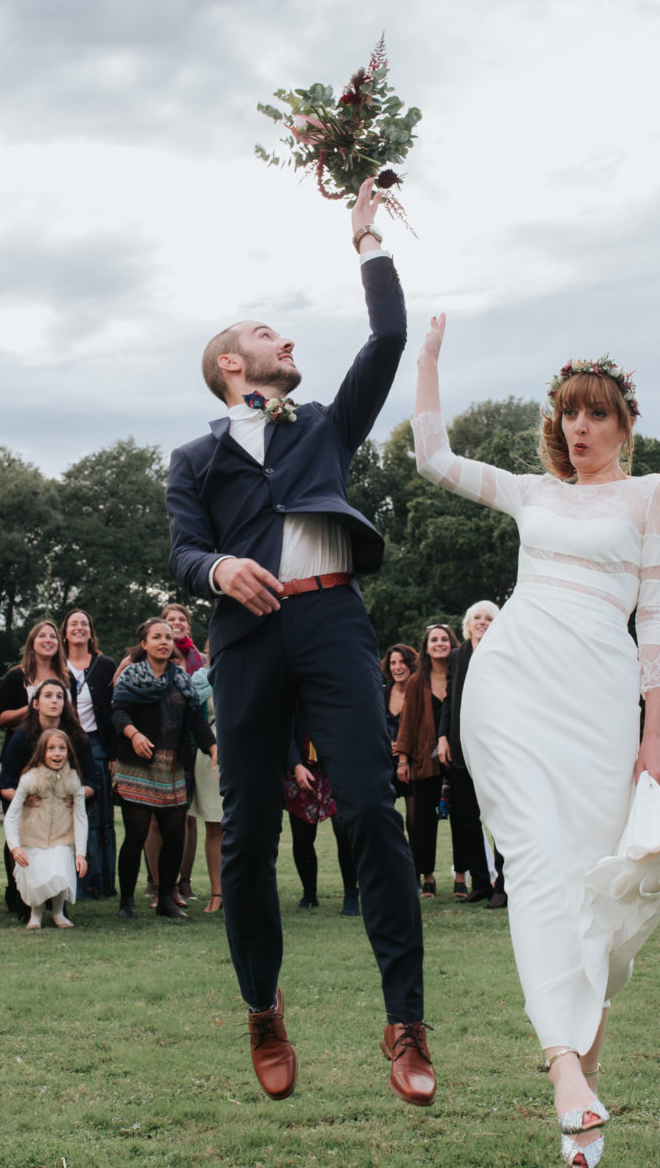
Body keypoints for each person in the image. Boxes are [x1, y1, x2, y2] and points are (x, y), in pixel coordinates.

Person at [165, 178, 434, 1107]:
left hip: (331, 624)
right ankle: (262, 1004)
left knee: (369, 809)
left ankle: (405, 1019)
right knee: (247, 836)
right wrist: (214, 573)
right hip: (244, 639)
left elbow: (387, 339)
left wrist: (365, 239)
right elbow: (181, 550)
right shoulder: (194, 459)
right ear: (234, 365)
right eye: (271, 334)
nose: (289, 342)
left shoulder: (323, 424)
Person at [415, 314, 660, 1168]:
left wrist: (656, 732)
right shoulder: (534, 494)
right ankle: (563, 1070)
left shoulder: (653, 496)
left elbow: (657, 623)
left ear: (623, 422)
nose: (580, 428)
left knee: (593, 897)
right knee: (537, 863)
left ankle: (579, 1103)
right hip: (511, 689)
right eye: (569, 413)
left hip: (600, 700)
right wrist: (426, 359)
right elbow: (434, 458)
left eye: (597, 413)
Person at [109, 618, 216, 921]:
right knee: (136, 834)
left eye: (168, 637)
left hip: (172, 766)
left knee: (175, 836)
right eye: (157, 637)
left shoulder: (182, 679)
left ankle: (167, 898)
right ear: (144, 644)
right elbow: (118, 712)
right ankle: (127, 901)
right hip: (137, 763)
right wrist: (134, 734)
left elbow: (196, 719)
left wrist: (212, 747)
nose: (164, 642)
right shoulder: (131, 676)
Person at [0, 679, 98, 921]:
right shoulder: (21, 738)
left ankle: (59, 905)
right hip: (30, 812)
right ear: (35, 703)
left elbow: (93, 780)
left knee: (62, 852)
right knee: (25, 849)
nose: (54, 701)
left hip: (64, 812)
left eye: (59, 696)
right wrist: (28, 797)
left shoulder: (77, 737)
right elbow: (5, 784)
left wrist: (74, 796)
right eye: (48, 696)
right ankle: (22, 899)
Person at [441, 602, 502, 906]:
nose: (482, 622)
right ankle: (480, 882)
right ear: (467, 624)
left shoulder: (505, 653)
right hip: (461, 747)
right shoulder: (457, 656)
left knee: (500, 817)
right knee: (466, 819)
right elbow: (448, 700)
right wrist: (442, 737)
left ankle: (503, 885)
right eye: (477, 618)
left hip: (497, 748)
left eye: (489, 618)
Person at [4, 727, 90, 930]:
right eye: (51, 748)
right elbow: (11, 815)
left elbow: (80, 817)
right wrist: (15, 847)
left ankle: (59, 913)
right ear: (42, 752)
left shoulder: (73, 779)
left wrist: (81, 853)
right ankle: (36, 914)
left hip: (61, 838)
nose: (57, 753)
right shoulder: (30, 778)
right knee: (36, 877)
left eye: (62, 748)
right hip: (32, 839)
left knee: (60, 868)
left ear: (69, 752)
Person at [60, 608, 119, 898]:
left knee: (97, 817)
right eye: (74, 624)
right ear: (66, 632)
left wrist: (113, 754)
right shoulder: (57, 665)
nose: (79, 628)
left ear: (90, 632)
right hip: (62, 747)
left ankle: (98, 884)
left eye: (84, 623)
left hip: (97, 746)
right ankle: (68, 882)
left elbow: (114, 710)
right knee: (66, 813)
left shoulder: (104, 665)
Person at [396, 624, 454, 898]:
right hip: (423, 758)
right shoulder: (418, 681)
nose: (439, 643)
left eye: (444, 639)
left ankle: (462, 875)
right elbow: (407, 723)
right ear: (426, 646)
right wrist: (403, 760)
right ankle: (427, 876)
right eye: (434, 640)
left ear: (451, 643)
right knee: (422, 822)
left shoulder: (459, 676)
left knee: (464, 818)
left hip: (458, 757)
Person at [154, 603, 205, 906]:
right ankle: (158, 882)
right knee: (155, 818)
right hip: (157, 743)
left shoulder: (200, 660)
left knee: (187, 815)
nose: (177, 623)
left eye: (182, 619)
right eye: (170, 620)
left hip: (193, 744)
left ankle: (184, 881)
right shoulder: (145, 656)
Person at [286, 719, 358, 914]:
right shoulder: (294, 695)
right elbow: (285, 730)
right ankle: (309, 894)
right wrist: (295, 764)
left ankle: (351, 894)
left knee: (344, 830)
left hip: (335, 769)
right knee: (302, 837)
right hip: (301, 770)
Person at [188, 641, 226, 914]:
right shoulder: (200, 679)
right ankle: (218, 892)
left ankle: (246, 890)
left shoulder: (250, 672)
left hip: (247, 752)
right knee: (215, 825)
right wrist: (212, 747)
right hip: (210, 753)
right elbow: (195, 719)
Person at [382, 644, 418, 803]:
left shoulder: (419, 692)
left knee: (415, 820)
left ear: (411, 664)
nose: (397, 667)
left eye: (402, 662)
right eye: (393, 663)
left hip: (413, 762)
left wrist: (403, 748)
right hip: (384, 762)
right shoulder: (381, 693)